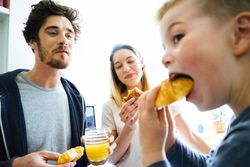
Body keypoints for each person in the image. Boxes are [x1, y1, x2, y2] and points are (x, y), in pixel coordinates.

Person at [0, 1, 116, 167]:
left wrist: (100, 154)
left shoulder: (77, 98)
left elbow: (81, 160)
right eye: (53, 33)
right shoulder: (3, 93)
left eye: (69, 35)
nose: (64, 40)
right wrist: (16, 164)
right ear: (32, 41)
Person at [138, 0, 250, 167]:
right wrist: (170, 145)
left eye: (177, 37)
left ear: (239, 34)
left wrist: (152, 153)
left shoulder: (245, 141)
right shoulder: (238, 122)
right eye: (164, 47)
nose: (164, 59)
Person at [102, 44, 210, 167]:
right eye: (118, 66)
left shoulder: (162, 96)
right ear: (115, 73)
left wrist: (216, 160)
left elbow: (190, 136)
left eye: (130, 61)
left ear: (141, 62)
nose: (126, 68)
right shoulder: (110, 106)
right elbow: (112, 158)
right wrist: (129, 127)